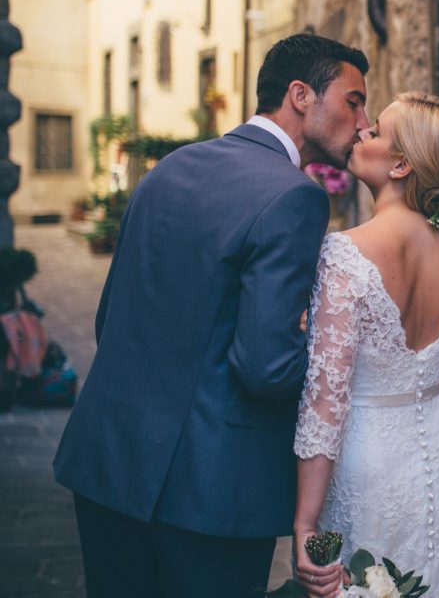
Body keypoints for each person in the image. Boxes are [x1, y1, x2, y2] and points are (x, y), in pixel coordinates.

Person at [53, 34, 370, 598]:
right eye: (353, 100)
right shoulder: (294, 197)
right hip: (210, 492)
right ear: (301, 95)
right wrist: (331, 364)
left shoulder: (170, 167)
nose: (363, 121)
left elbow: (110, 320)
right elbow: (266, 367)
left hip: (107, 462)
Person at [291, 92, 439, 598]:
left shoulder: (344, 254)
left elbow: (325, 403)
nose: (362, 133)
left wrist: (304, 524)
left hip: (368, 450)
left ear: (401, 163)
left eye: (376, 131)